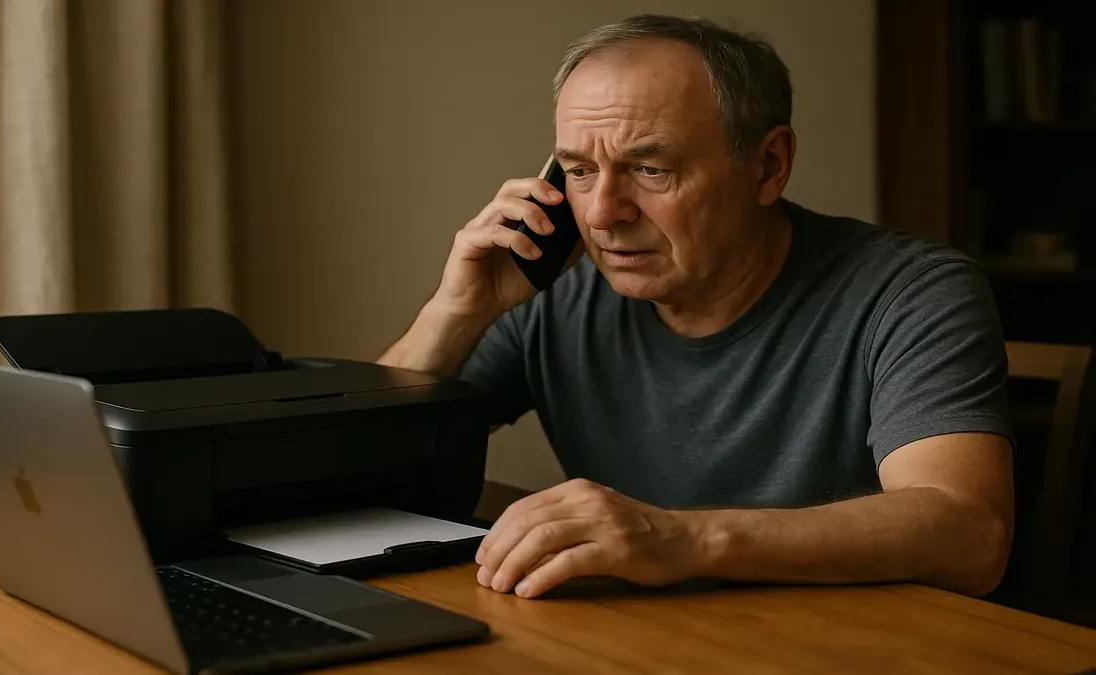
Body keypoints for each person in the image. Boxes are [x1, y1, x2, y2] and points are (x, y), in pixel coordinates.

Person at [378, 14, 1015, 600]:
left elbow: (970, 533)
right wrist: (456, 311)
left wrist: (684, 539)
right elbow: (365, 469)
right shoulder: (554, 290)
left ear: (769, 166)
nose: (602, 214)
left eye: (650, 170)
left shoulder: (911, 291)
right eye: (577, 171)